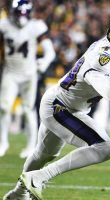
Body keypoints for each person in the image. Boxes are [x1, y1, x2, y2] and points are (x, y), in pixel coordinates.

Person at [3, 13, 110, 200]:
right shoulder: (104, 58)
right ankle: (39, 178)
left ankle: (18, 194)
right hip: (61, 108)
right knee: (104, 148)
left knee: (43, 154)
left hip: (62, 102)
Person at [0, 0, 56, 158]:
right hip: (10, 72)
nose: (21, 17)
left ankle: (31, 146)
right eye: (18, 13)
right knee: (4, 107)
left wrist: (43, 63)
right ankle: (3, 143)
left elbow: (50, 52)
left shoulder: (36, 26)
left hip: (29, 73)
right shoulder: (4, 25)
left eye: (23, 13)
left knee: (28, 109)